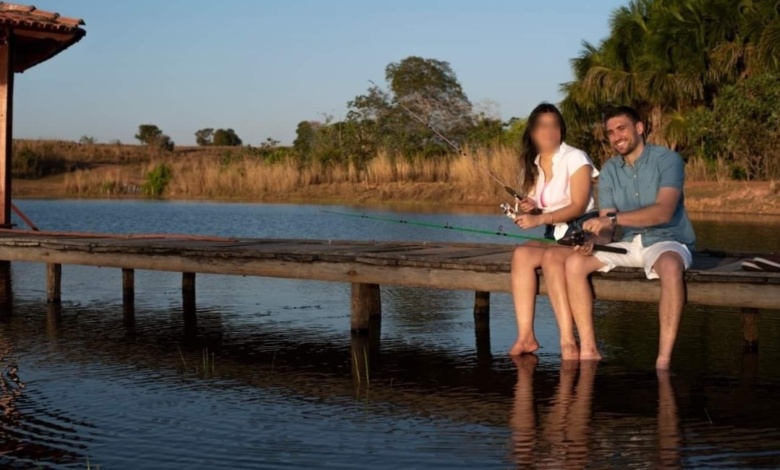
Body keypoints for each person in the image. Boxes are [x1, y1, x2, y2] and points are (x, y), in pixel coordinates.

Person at [565, 106, 696, 369]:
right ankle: (589, 349)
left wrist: (611, 220)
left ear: (639, 128)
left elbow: (663, 211)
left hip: (667, 239)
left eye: (621, 129)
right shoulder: (609, 170)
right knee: (574, 263)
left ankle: (663, 360)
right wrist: (594, 241)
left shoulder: (668, 160)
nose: (616, 137)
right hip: (628, 243)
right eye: (610, 132)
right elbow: (607, 229)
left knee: (670, 266)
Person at [509, 103, 600, 360]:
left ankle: (568, 342)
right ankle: (526, 336)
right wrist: (530, 209)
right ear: (532, 132)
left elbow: (578, 204)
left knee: (550, 258)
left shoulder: (576, 157)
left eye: (554, 125)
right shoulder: (534, 164)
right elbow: (537, 210)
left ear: (561, 129)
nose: (549, 131)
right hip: (558, 237)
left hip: (583, 233)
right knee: (522, 254)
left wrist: (540, 219)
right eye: (542, 126)